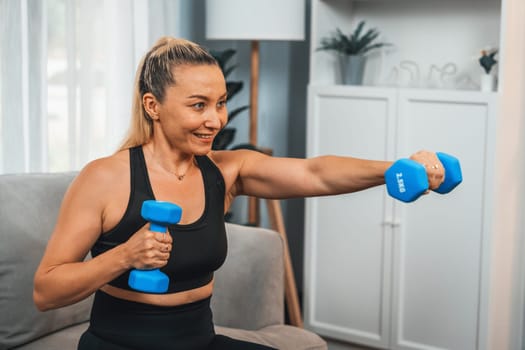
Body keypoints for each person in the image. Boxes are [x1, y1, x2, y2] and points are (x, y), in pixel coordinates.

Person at [33, 37, 444, 350]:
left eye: (221, 103)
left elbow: (315, 173)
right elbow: (45, 290)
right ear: (152, 105)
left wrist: (392, 168)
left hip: (199, 340)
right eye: (198, 106)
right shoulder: (106, 178)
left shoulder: (226, 172)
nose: (214, 119)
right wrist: (124, 255)